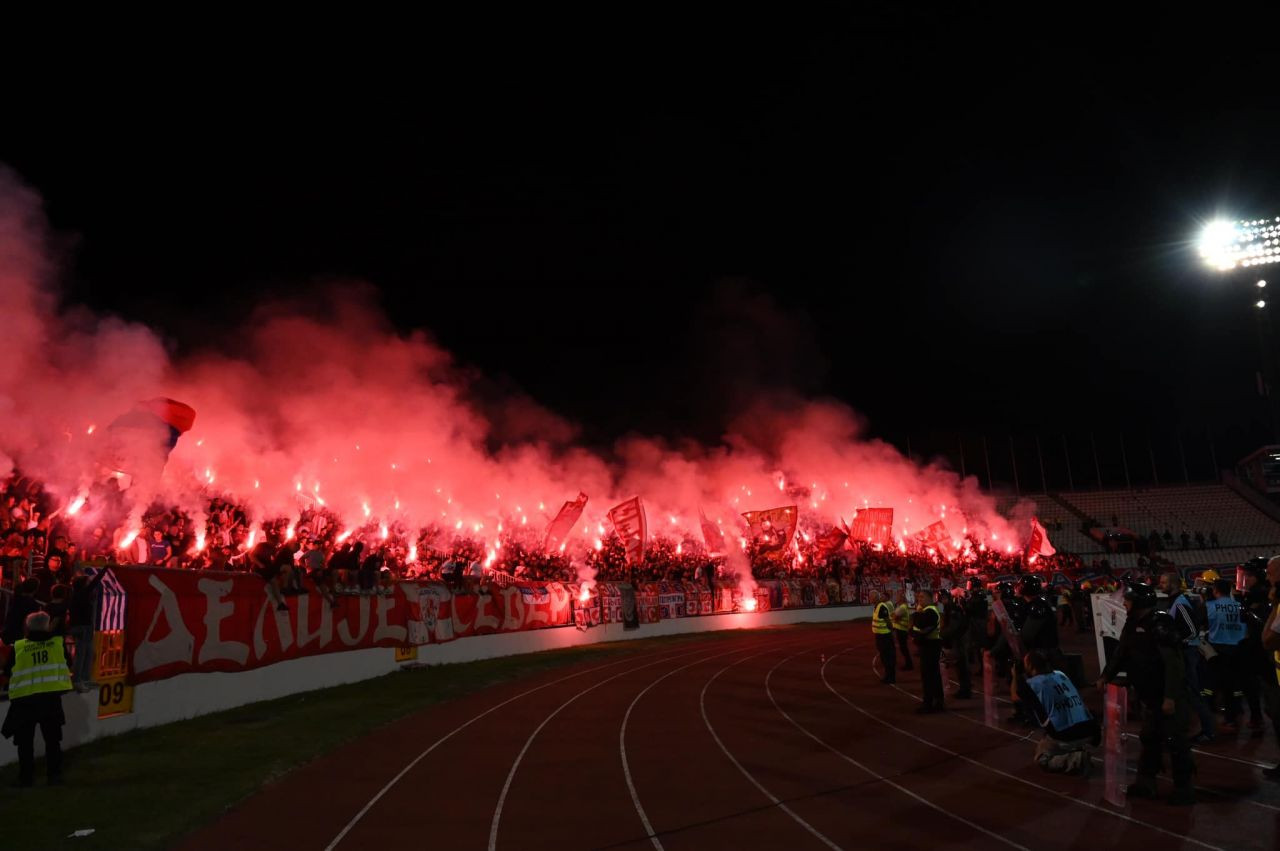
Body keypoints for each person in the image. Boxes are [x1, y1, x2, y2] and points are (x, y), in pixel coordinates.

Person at [1098, 581, 1195, 805]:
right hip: (1150, 695)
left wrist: (1170, 697)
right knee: (1149, 738)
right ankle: (1145, 783)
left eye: (1128, 599)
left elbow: (1173, 664)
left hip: (1168, 695)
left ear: (1139, 602)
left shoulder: (1160, 624)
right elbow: (1121, 653)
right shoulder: (1133, 623)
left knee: (1176, 741)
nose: (1124, 603)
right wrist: (1106, 676)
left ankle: (1184, 788)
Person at [2, 611, 73, 786]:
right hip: (50, 699)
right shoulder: (57, 644)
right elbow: (69, 663)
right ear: (47, 626)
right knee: (53, 740)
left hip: (25, 701)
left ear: (27, 627)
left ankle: (26, 778)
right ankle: (54, 776)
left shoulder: (18, 647)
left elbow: (8, 670)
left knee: (25, 743)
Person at [1018, 650, 1098, 775]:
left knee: (1042, 758)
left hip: (1066, 734)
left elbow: (1015, 698)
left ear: (1030, 666)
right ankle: (1075, 749)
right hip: (1091, 730)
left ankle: (1076, 759)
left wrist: (1015, 676)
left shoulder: (1032, 684)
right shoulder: (1060, 674)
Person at [1161, 571, 1214, 742]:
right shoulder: (1176, 602)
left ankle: (1208, 731)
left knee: (1193, 694)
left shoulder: (1180, 603)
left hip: (1188, 653)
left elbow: (1192, 631)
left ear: (1173, 584)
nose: (1160, 585)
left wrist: (1180, 643)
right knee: (1186, 694)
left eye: (1163, 582)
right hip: (1185, 652)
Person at [1204, 578, 1246, 734]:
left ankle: (1208, 716)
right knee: (1233, 686)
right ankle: (1232, 717)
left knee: (1210, 685)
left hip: (1217, 650)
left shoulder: (1210, 606)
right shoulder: (1240, 606)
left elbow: (1202, 624)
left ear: (1215, 590)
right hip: (1237, 650)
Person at [911, 589, 944, 713]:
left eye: (922, 597)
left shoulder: (930, 611)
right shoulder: (927, 611)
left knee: (929, 676)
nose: (920, 599)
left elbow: (919, 625)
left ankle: (929, 703)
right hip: (930, 645)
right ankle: (936, 702)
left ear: (931, 599)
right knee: (932, 675)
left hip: (930, 646)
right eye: (918, 597)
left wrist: (916, 616)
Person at [940, 587, 972, 698]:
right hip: (958, 638)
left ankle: (965, 690)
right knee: (960, 665)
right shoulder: (949, 607)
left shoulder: (953, 608)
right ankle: (964, 688)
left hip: (960, 639)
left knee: (962, 665)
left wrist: (941, 634)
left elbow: (954, 626)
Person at [871, 592, 896, 684]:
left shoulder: (881, 607)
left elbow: (888, 621)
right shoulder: (877, 607)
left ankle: (891, 677)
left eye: (872, 597)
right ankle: (888, 676)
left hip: (885, 636)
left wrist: (891, 631)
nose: (871, 599)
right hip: (880, 636)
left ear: (877, 598)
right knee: (884, 657)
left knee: (888, 657)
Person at [891, 590, 914, 671]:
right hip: (901, 629)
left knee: (904, 648)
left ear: (901, 599)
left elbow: (894, 617)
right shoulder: (902, 606)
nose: (896, 598)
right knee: (903, 648)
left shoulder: (902, 607)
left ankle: (909, 664)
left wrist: (893, 616)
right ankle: (909, 664)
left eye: (898, 597)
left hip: (901, 630)